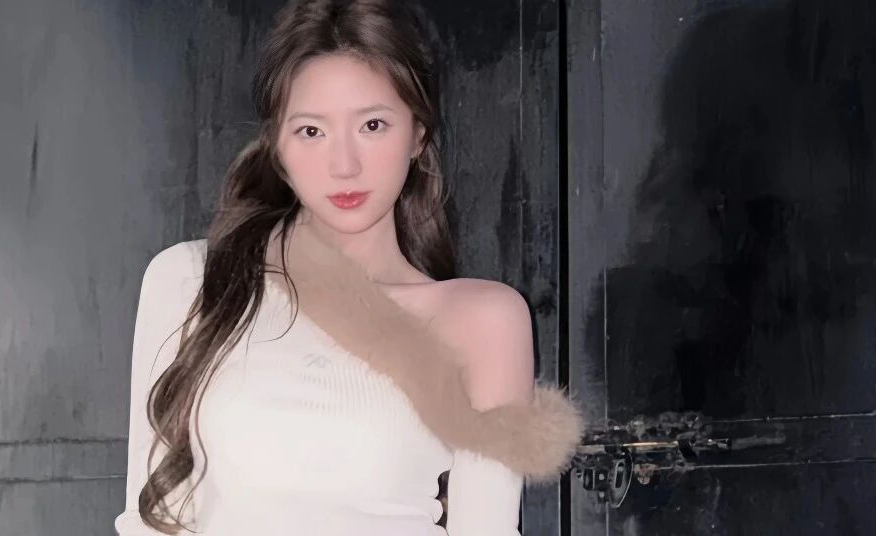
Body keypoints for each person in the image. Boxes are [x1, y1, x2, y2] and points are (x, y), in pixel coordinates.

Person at [114, 1, 581, 534]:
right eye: (311, 131)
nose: (344, 165)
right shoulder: (193, 280)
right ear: (277, 147)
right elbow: (151, 523)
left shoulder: (483, 319)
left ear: (418, 134)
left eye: (373, 125)